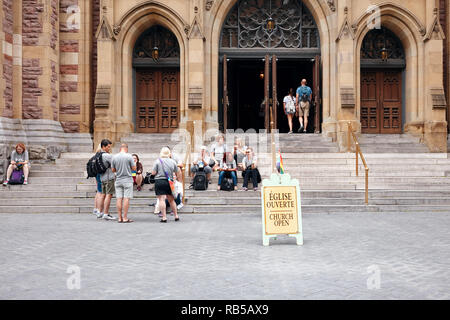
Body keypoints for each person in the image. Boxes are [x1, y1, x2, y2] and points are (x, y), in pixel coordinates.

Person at [152, 146, 180, 223]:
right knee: (171, 200)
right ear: (169, 153)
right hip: (169, 181)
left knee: (161, 199)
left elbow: (153, 173)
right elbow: (177, 171)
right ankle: (176, 216)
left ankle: (164, 217)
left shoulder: (157, 161)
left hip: (159, 181)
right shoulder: (173, 161)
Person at [112, 143, 136, 223]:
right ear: (126, 149)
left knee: (119, 198)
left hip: (118, 180)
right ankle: (125, 217)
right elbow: (134, 169)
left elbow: (113, 170)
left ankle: (119, 217)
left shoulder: (114, 157)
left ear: (120, 149)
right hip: (128, 180)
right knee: (126, 198)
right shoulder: (129, 156)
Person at [97, 139, 116, 221]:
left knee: (102, 195)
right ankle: (106, 214)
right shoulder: (107, 155)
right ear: (103, 147)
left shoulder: (98, 155)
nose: (109, 148)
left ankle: (100, 212)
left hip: (102, 178)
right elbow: (115, 165)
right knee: (109, 195)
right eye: (108, 147)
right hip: (109, 177)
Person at [92, 143, 103, 218]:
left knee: (98, 191)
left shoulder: (95, 155)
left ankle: (95, 208)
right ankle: (99, 210)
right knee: (100, 193)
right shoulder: (101, 155)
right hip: (100, 174)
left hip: (96, 174)